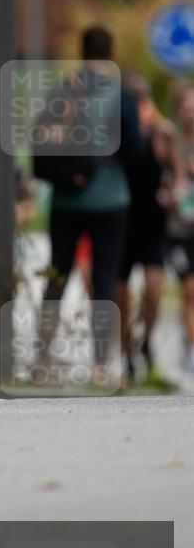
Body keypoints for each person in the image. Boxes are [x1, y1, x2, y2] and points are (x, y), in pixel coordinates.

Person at [35, 26, 145, 378]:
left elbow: (41, 135)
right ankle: (100, 363)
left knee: (57, 275)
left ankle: (41, 357)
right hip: (110, 198)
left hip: (66, 199)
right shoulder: (122, 95)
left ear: (82, 53)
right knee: (104, 279)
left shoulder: (64, 89)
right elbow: (135, 151)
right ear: (111, 52)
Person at [115, 71, 176, 381]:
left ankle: (147, 340)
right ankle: (127, 356)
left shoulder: (160, 131)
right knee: (122, 298)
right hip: (122, 222)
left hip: (152, 222)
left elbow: (174, 171)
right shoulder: (115, 135)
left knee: (153, 291)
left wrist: (174, 190)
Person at [164, 81, 194, 374]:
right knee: (189, 290)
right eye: (184, 105)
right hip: (178, 229)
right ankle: (192, 349)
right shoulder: (170, 141)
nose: (190, 110)